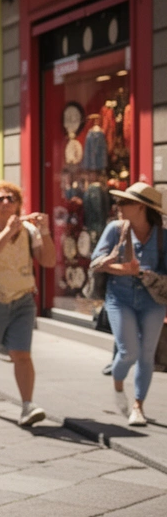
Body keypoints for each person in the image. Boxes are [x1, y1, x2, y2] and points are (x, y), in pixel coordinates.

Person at [0, 180, 56, 426]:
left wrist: (47, 231)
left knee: (22, 354)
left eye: (11, 198)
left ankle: (27, 405)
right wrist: (7, 231)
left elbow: (48, 261)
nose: (6, 202)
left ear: (19, 203)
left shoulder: (29, 231)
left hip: (22, 299)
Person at [91, 182, 167, 427]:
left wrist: (147, 275)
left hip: (153, 301)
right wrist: (121, 268)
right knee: (128, 352)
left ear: (142, 207)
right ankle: (118, 384)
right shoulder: (115, 229)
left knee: (146, 355)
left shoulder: (162, 235)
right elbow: (95, 262)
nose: (118, 206)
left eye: (125, 202)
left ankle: (138, 406)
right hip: (120, 298)